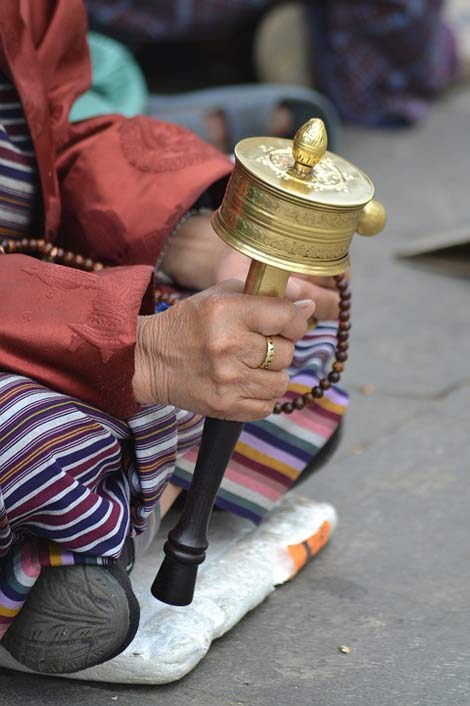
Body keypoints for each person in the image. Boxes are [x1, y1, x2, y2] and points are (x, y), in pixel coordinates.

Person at [0, 0, 347, 675]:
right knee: (27, 434)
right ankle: (52, 562)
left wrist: (187, 236)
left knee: (278, 347)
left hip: (32, 286)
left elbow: (58, 138)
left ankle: (97, 524)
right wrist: (142, 350)